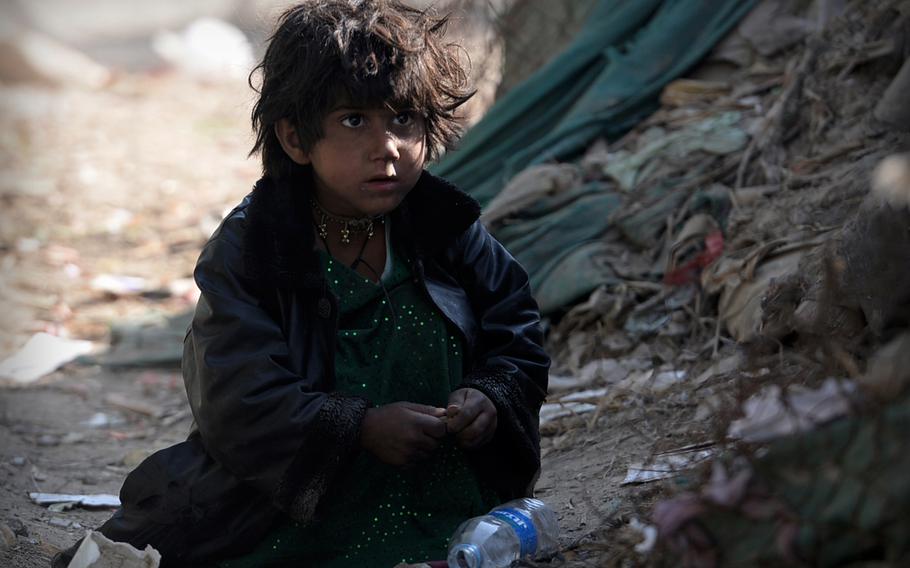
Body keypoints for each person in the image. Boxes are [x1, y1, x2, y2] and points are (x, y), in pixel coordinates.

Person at [54, 1, 549, 566]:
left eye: (403, 120)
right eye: (354, 120)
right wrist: (358, 427)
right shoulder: (253, 248)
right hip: (293, 507)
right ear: (295, 138)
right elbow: (239, 397)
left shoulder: (448, 226)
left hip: (442, 497)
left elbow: (517, 330)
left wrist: (489, 394)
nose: (385, 146)